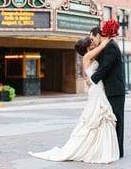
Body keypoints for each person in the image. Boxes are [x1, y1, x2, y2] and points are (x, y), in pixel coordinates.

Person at [29, 34, 119, 164]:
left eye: (93, 41)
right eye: (91, 42)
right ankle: (94, 149)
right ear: (88, 47)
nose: (94, 43)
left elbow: (86, 74)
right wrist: (108, 37)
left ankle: (99, 147)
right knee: (97, 116)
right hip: (96, 89)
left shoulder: (90, 57)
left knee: (99, 116)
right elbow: (104, 45)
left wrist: (87, 79)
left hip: (96, 87)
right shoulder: (88, 56)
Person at [88, 24, 125, 158]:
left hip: (115, 90)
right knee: (111, 120)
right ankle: (112, 149)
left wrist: (92, 80)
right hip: (109, 89)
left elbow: (105, 67)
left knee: (117, 120)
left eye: (93, 38)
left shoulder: (111, 47)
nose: (93, 41)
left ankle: (118, 151)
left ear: (99, 35)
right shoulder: (107, 47)